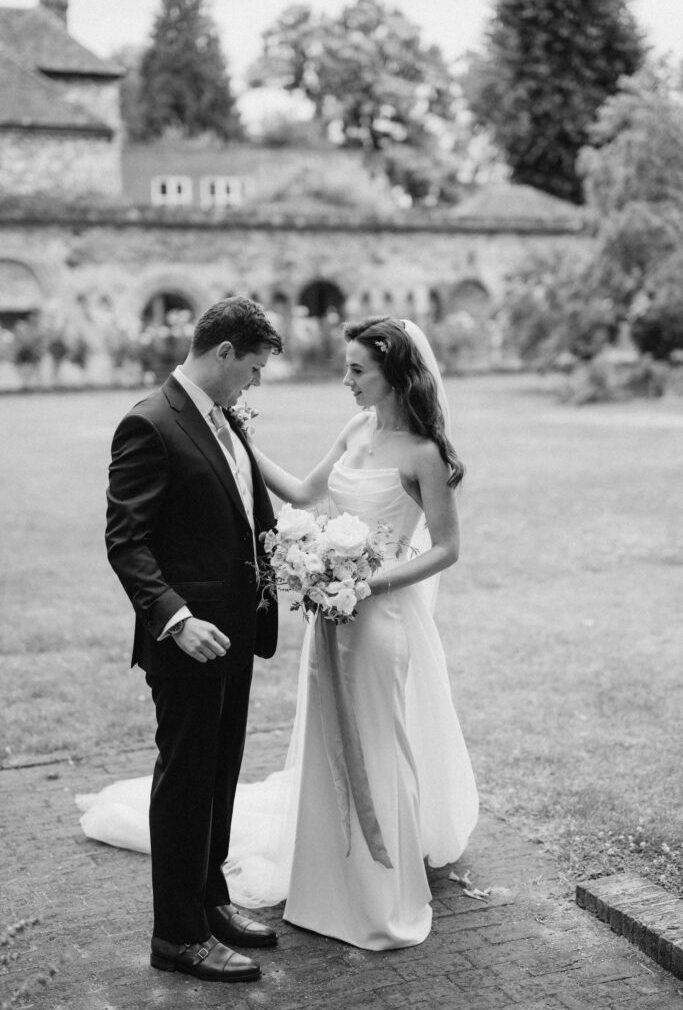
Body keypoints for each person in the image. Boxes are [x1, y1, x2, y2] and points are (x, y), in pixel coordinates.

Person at [80, 315, 478, 952]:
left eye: (356, 370)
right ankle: (315, 893)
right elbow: (298, 491)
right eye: (346, 367)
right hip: (325, 617)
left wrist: (365, 584)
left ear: (395, 373)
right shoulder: (351, 429)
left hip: (374, 617)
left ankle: (374, 890)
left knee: (374, 744)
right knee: (320, 748)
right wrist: (231, 436)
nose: (344, 379)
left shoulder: (424, 452)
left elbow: (447, 547)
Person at [101, 297, 283, 983]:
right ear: (224, 352)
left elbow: (240, 515)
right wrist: (176, 617)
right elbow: (127, 542)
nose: (255, 384)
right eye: (254, 369)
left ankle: (210, 902)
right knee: (185, 783)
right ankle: (177, 937)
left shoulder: (224, 418)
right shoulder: (149, 423)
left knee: (219, 775)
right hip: (188, 641)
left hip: (235, 633)